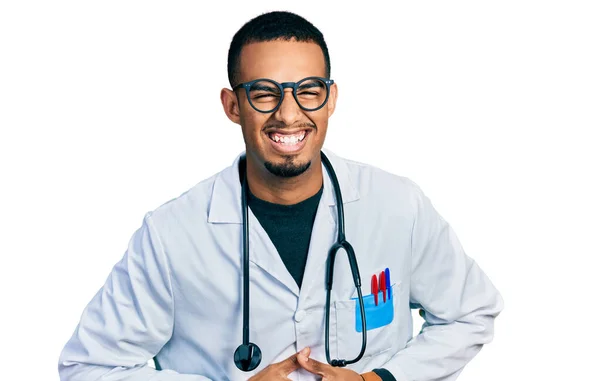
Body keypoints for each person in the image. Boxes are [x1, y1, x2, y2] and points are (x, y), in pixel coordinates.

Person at [58, 10, 503, 381]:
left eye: (308, 91)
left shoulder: (396, 206)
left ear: (330, 100)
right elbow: (88, 366)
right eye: (264, 93)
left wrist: (378, 380)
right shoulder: (173, 233)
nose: (288, 115)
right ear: (233, 106)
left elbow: (470, 313)